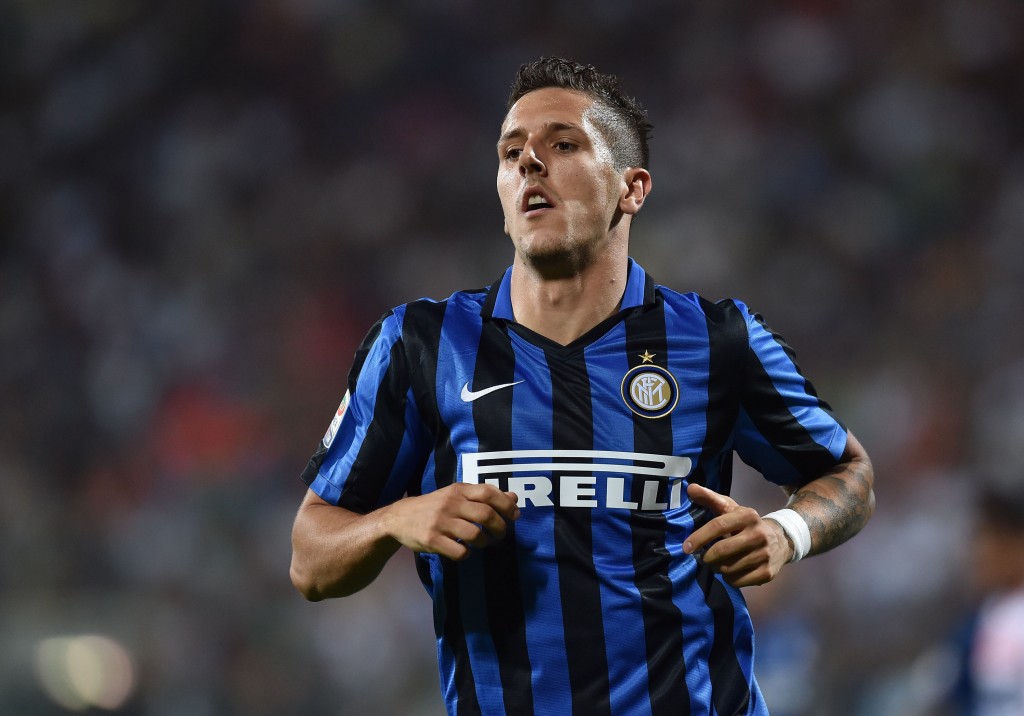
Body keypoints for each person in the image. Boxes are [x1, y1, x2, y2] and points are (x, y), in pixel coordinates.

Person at [290, 56, 875, 716]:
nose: (529, 163)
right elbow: (311, 560)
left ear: (633, 188)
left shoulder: (719, 340)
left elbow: (847, 473)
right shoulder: (421, 344)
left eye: (562, 144)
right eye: (512, 152)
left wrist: (786, 533)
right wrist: (396, 521)